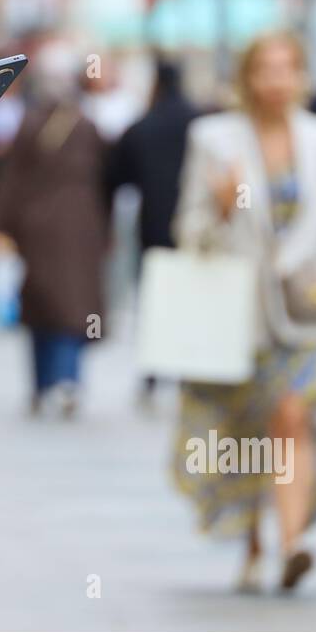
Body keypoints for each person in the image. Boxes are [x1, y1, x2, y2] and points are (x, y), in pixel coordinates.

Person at [171, 31, 316, 593]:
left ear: (302, 75)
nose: (277, 79)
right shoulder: (214, 139)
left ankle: (292, 544)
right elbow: (188, 230)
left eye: (288, 68)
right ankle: (253, 539)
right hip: (236, 314)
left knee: (293, 417)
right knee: (244, 429)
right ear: (248, 77)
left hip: (305, 313)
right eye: (265, 69)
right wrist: (224, 209)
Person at [0, 39, 111, 419]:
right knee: (72, 308)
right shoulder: (89, 126)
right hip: (81, 229)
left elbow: (11, 182)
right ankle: (66, 380)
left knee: (42, 307)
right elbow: (105, 181)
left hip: (37, 230)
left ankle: (46, 384)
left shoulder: (29, 124)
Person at [104, 54, 201, 411]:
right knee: (193, 303)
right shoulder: (201, 122)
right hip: (197, 233)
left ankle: (153, 373)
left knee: (154, 303)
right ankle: (191, 369)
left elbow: (115, 175)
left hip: (154, 229)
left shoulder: (143, 125)